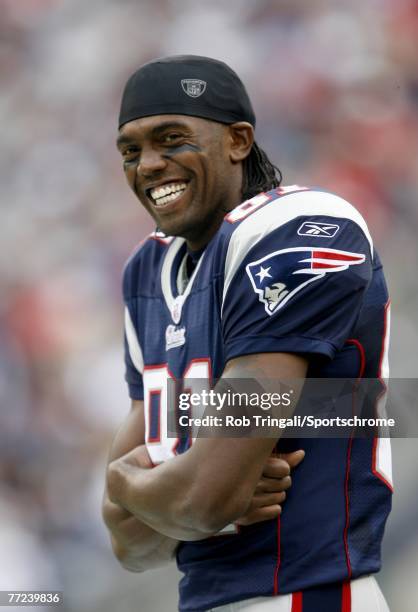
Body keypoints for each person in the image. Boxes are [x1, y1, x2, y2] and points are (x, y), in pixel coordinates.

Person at [103, 55, 392, 612]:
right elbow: (126, 543)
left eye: (172, 139)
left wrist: (128, 486)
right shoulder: (147, 270)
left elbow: (205, 496)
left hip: (306, 593)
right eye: (131, 151)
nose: (149, 165)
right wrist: (174, 490)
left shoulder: (298, 228)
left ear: (238, 141)